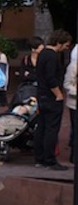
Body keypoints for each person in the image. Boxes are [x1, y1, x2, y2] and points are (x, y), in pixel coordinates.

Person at [33, 30, 71, 170]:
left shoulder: (42, 54)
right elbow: (51, 78)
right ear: (59, 43)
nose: (66, 48)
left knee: (41, 127)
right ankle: (49, 160)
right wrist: (58, 93)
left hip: (41, 95)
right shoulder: (52, 56)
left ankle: (39, 158)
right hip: (51, 97)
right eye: (65, 45)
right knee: (51, 129)